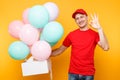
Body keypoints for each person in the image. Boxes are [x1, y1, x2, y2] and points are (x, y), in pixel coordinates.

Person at [51, 9, 109, 80]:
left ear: (87, 17)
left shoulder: (95, 35)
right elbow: (60, 50)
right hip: (73, 74)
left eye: (82, 17)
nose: (80, 20)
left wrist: (99, 29)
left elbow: (106, 47)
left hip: (88, 74)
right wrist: (46, 54)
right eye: (77, 18)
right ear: (75, 21)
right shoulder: (71, 35)